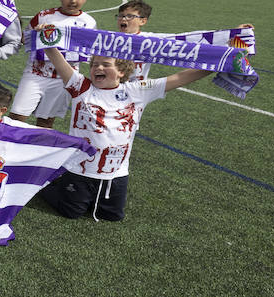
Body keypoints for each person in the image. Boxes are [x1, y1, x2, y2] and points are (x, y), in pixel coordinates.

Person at [37, 44, 212, 222]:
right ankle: (44, 180)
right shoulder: (81, 87)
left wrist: (219, 63)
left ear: (121, 71)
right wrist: (48, 43)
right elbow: (58, 61)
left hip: (116, 174)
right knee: (71, 212)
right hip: (79, 170)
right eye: (94, 65)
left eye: (105, 64)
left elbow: (180, 77)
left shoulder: (137, 91)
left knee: (112, 216)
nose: (98, 68)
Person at [10, 0, 95, 128]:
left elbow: (89, 48)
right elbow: (24, 39)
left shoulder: (89, 22)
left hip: (64, 79)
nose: (73, 1)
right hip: (36, 74)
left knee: (46, 121)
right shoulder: (44, 16)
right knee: (16, 117)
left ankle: (39, 150)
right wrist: (36, 34)